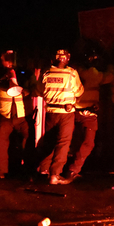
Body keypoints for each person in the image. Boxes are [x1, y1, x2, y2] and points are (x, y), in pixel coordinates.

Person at [0, 50, 36, 180]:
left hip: (23, 116)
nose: (9, 62)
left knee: (27, 143)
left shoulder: (26, 74)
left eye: (11, 59)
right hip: (4, 115)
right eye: (6, 59)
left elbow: (36, 89)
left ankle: (29, 172)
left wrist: (27, 90)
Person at [63, 48, 113, 183]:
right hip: (88, 113)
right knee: (88, 144)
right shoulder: (92, 73)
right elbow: (109, 77)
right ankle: (73, 170)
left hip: (72, 112)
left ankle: (61, 169)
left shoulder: (73, 73)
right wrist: (111, 65)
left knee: (71, 142)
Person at [37, 49, 84, 185]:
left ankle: (43, 170)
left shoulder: (46, 72)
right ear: (67, 59)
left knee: (49, 141)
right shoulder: (72, 73)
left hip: (51, 112)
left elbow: (39, 90)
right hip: (66, 113)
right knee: (63, 143)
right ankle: (55, 174)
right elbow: (79, 91)